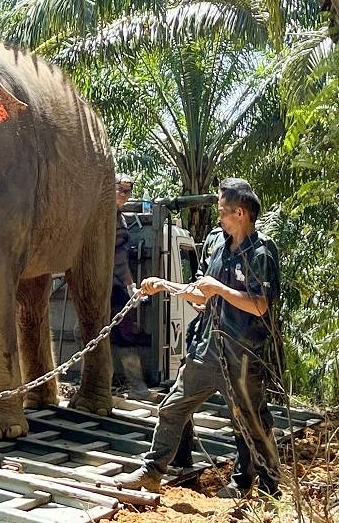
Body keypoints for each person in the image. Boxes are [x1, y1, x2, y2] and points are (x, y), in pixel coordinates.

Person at [114, 178, 281, 498]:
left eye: (223, 211)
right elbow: (199, 297)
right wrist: (165, 285)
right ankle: (151, 472)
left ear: (241, 213)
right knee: (173, 406)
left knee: (250, 423)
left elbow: (260, 305)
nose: (219, 217)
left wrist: (218, 289)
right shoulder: (216, 243)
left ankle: (258, 485)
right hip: (207, 347)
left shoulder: (262, 252)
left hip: (244, 354)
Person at [111, 174, 151, 399]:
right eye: (120, 190)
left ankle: (136, 386)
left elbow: (121, 258)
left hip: (116, 286)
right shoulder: (103, 215)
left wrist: (130, 287)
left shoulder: (120, 218)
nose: (124, 195)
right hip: (103, 285)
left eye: (128, 192)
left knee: (123, 333)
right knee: (93, 333)